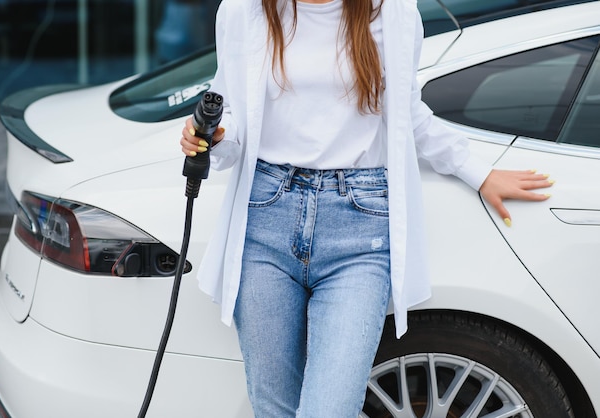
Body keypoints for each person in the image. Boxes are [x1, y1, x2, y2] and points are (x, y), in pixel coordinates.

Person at [179, 0, 553, 416]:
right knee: (275, 407)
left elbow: (409, 114)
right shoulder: (243, 10)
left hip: (359, 229)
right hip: (266, 218)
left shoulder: (391, 12)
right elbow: (231, 116)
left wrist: (478, 172)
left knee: (330, 410)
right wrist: (212, 136)